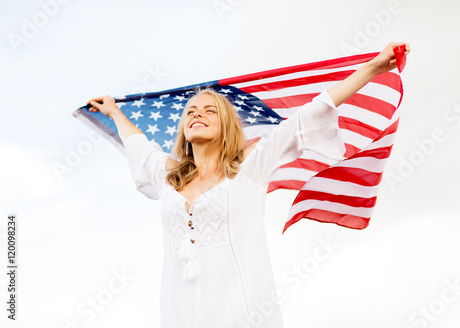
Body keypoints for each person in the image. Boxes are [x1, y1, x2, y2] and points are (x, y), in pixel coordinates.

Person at [87, 42, 410, 328]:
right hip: (181, 311)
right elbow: (139, 145)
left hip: (240, 309)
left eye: (209, 110)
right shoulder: (168, 176)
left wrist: (372, 68)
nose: (197, 115)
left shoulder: (251, 167)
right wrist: (114, 111)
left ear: (225, 124)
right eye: (190, 112)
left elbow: (309, 114)